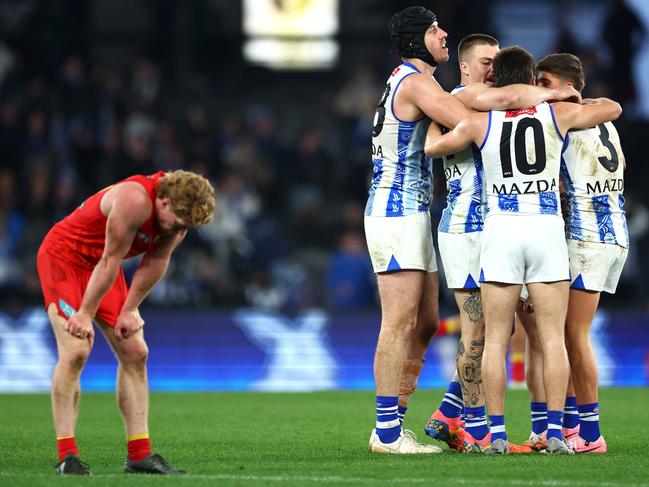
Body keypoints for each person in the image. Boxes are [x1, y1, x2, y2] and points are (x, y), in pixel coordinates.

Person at [365, 8, 580, 455]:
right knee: (404, 322)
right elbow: (482, 106)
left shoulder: (421, 82)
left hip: (417, 212)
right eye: (432, 29)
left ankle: (430, 417)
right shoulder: (420, 83)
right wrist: (544, 95)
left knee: (425, 324)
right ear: (415, 40)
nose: (443, 33)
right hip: (397, 210)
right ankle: (389, 432)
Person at [424, 46, 622, 455]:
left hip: (501, 232)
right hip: (547, 229)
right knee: (551, 339)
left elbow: (436, 147)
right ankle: (554, 433)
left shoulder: (482, 121)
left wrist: (431, 124)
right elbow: (612, 109)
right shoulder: (558, 115)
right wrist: (562, 96)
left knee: (496, 338)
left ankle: (494, 434)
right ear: (532, 81)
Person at [37, 170, 216, 474]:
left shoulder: (179, 219)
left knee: (136, 351)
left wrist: (130, 309)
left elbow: (156, 261)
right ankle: (67, 457)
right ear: (164, 200)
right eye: (177, 222)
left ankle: (139, 454)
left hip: (103, 267)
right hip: (64, 259)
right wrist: (84, 314)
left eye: (185, 227)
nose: (178, 230)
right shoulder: (134, 199)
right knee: (76, 350)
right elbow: (110, 260)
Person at [534, 53, 628, 453]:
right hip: (613, 231)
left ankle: (590, 434)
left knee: (573, 335)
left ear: (565, 85)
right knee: (566, 334)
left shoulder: (563, 119)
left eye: (543, 82)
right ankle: (572, 426)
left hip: (588, 236)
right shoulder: (600, 117)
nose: (538, 90)